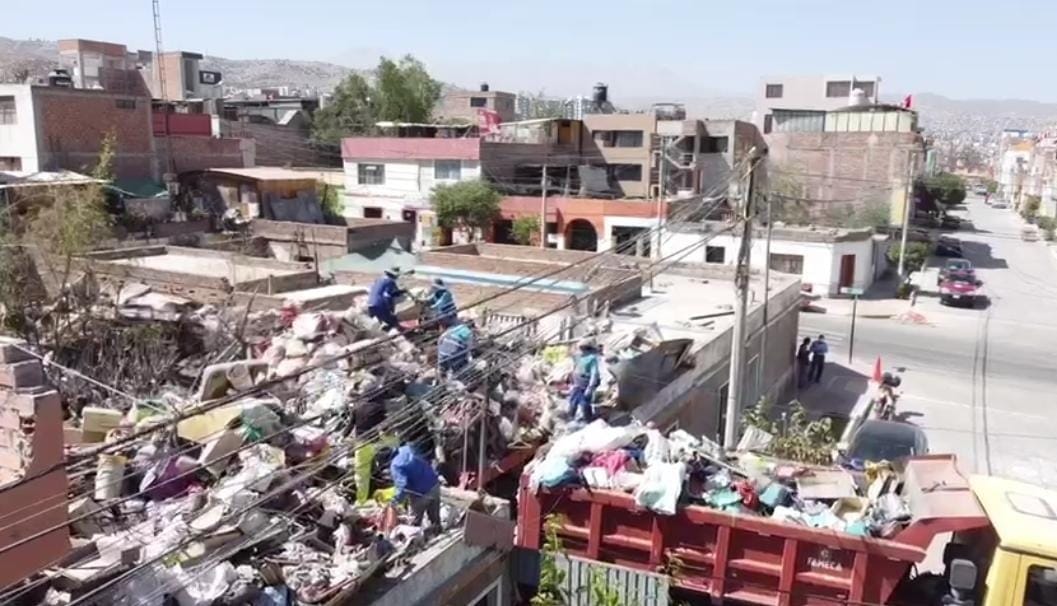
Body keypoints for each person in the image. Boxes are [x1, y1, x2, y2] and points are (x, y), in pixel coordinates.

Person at [388, 442, 441, 528]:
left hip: (420, 495)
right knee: (435, 522)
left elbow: (402, 485)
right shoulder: (407, 448)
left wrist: (395, 501)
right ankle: (438, 533)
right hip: (434, 486)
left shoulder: (395, 464)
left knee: (413, 527)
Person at [567, 338, 601, 422]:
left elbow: (594, 374)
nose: (580, 350)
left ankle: (587, 419)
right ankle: (570, 417)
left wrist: (590, 387)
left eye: (582, 348)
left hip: (584, 383)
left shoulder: (592, 358)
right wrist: (571, 380)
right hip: (577, 382)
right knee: (573, 400)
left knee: (584, 402)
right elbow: (574, 368)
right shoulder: (578, 357)